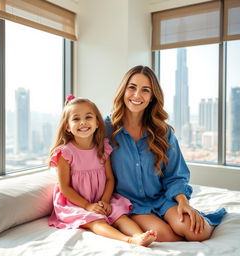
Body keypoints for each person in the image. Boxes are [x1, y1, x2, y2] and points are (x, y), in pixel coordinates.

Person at [105, 65, 227, 242]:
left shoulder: (163, 132)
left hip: (162, 198)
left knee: (197, 232)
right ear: (123, 90)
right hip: (131, 204)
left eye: (145, 90)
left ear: (152, 97)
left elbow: (176, 174)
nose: (137, 95)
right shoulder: (106, 129)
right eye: (132, 87)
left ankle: (202, 220)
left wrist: (183, 202)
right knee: (163, 235)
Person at [48, 95, 157, 246]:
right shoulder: (65, 153)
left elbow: (109, 179)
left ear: (98, 123)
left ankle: (140, 236)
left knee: (120, 216)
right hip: (77, 203)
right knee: (96, 221)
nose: (83, 122)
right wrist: (87, 206)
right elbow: (65, 188)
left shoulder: (103, 148)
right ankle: (129, 239)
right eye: (76, 119)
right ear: (67, 126)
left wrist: (105, 201)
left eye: (88, 117)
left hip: (101, 199)